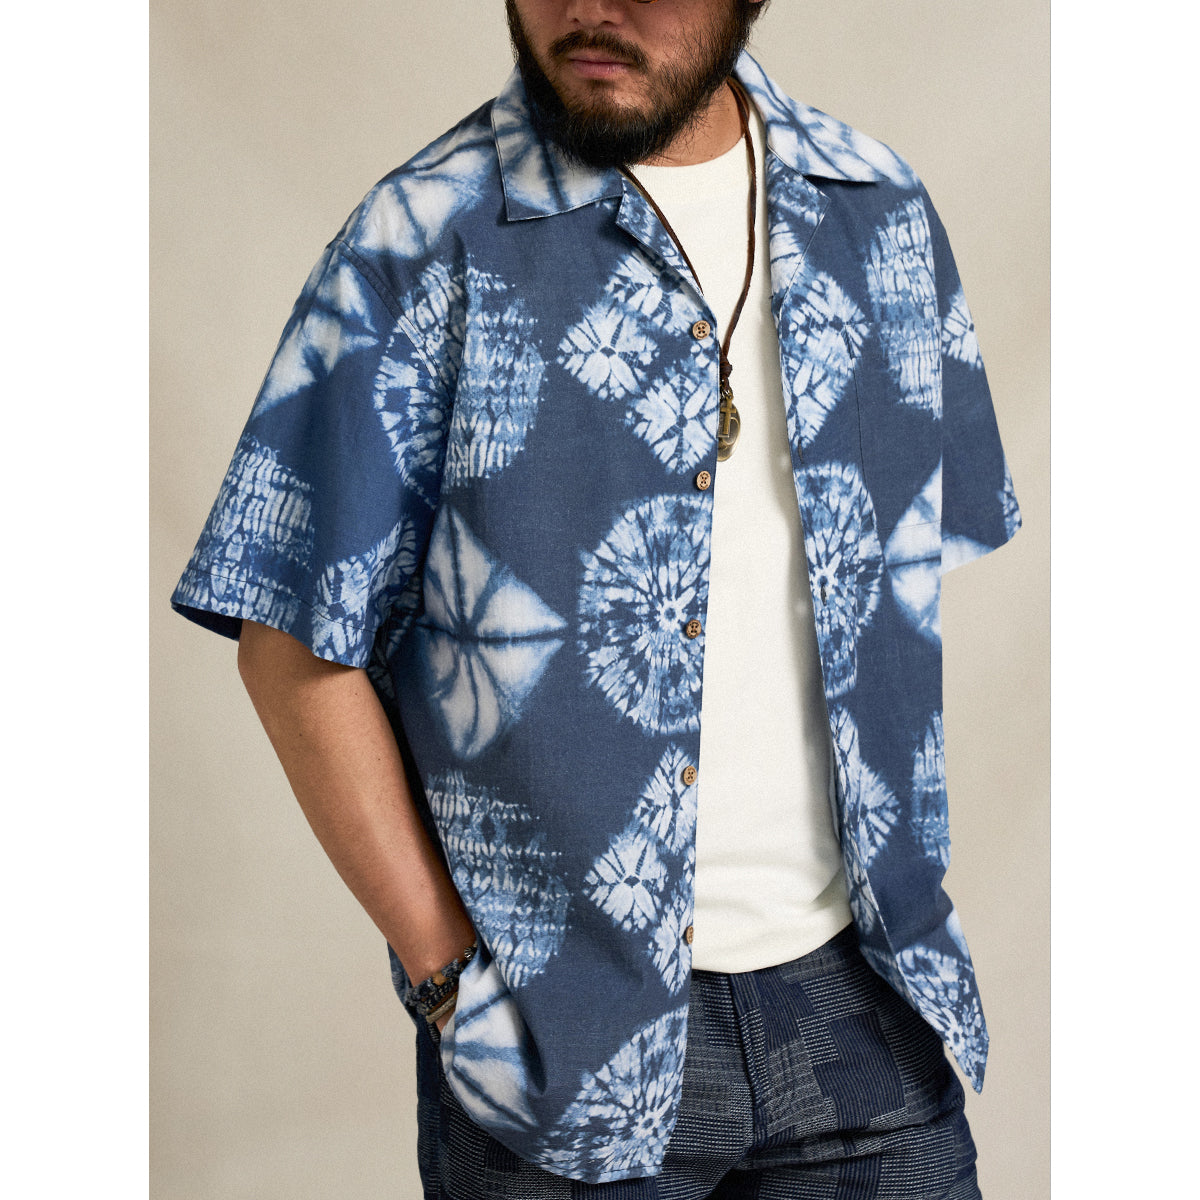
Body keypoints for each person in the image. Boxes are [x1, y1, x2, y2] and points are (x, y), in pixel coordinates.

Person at [171, 1, 1020, 1195]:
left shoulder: (877, 209)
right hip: (562, 1045)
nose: (587, 5)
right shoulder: (423, 239)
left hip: (866, 1011)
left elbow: (906, 585)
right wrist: (446, 978)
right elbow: (291, 642)